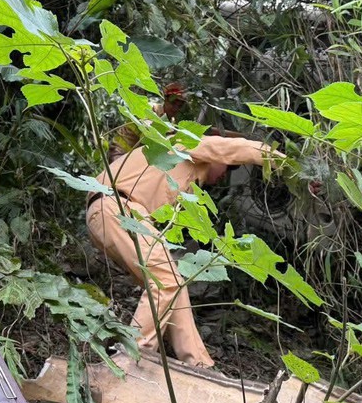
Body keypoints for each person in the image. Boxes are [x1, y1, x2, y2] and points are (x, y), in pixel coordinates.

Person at [87, 133, 281, 368]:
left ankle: (199, 365)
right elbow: (230, 147)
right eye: (229, 166)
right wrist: (284, 162)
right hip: (116, 208)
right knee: (166, 281)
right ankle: (133, 356)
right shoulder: (190, 143)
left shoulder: (184, 170)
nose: (227, 173)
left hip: (115, 213)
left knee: (172, 285)